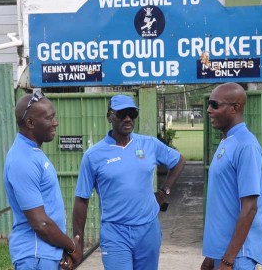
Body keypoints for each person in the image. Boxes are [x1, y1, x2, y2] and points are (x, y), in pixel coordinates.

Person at [73, 94, 185, 270]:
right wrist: (77, 241)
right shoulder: (93, 155)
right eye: (122, 114)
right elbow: (81, 200)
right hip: (115, 233)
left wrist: (164, 191)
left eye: (132, 114)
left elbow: (179, 161)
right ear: (110, 116)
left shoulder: (149, 144)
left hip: (148, 230)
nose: (127, 119)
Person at [3, 91, 82, 270]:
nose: (56, 122)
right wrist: (71, 247)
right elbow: (41, 223)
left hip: (44, 254)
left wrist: (60, 250)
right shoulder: (22, 160)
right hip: (35, 256)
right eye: (49, 118)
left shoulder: (32, 153)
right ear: (30, 123)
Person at [201, 82, 262, 270]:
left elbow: (250, 207)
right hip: (222, 253)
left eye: (215, 104)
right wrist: (212, 256)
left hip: (238, 256)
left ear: (235, 108)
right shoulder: (227, 141)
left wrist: (228, 259)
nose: (208, 110)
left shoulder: (246, 145)